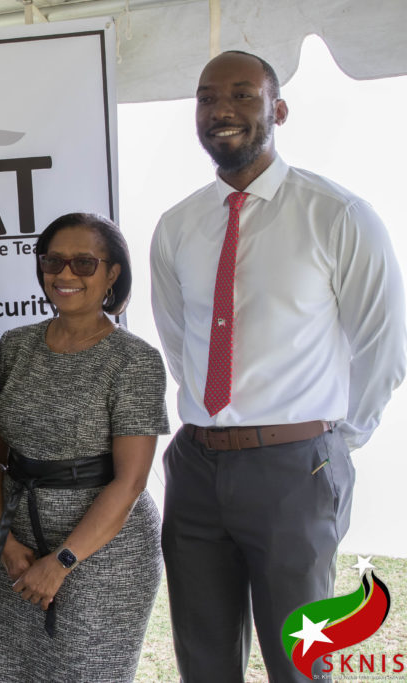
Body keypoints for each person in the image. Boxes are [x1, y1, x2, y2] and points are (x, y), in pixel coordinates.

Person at [151, 50, 407, 682]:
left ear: (279, 110)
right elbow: (180, 342)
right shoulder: (177, 226)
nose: (222, 110)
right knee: (203, 661)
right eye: (208, 98)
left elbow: (384, 345)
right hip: (197, 468)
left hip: (296, 468)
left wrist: (335, 442)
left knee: (299, 662)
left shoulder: (337, 214)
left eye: (242, 95)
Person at [0, 213, 169, 681]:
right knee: (7, 673)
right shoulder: (15, 346)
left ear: (112, 273)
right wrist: (3, 540)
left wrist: (62, 562)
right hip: (16, 550)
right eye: (53, 261)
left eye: (83, 263)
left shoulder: (135, 360)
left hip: (102, 558)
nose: (64, 274)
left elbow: (130, 482)